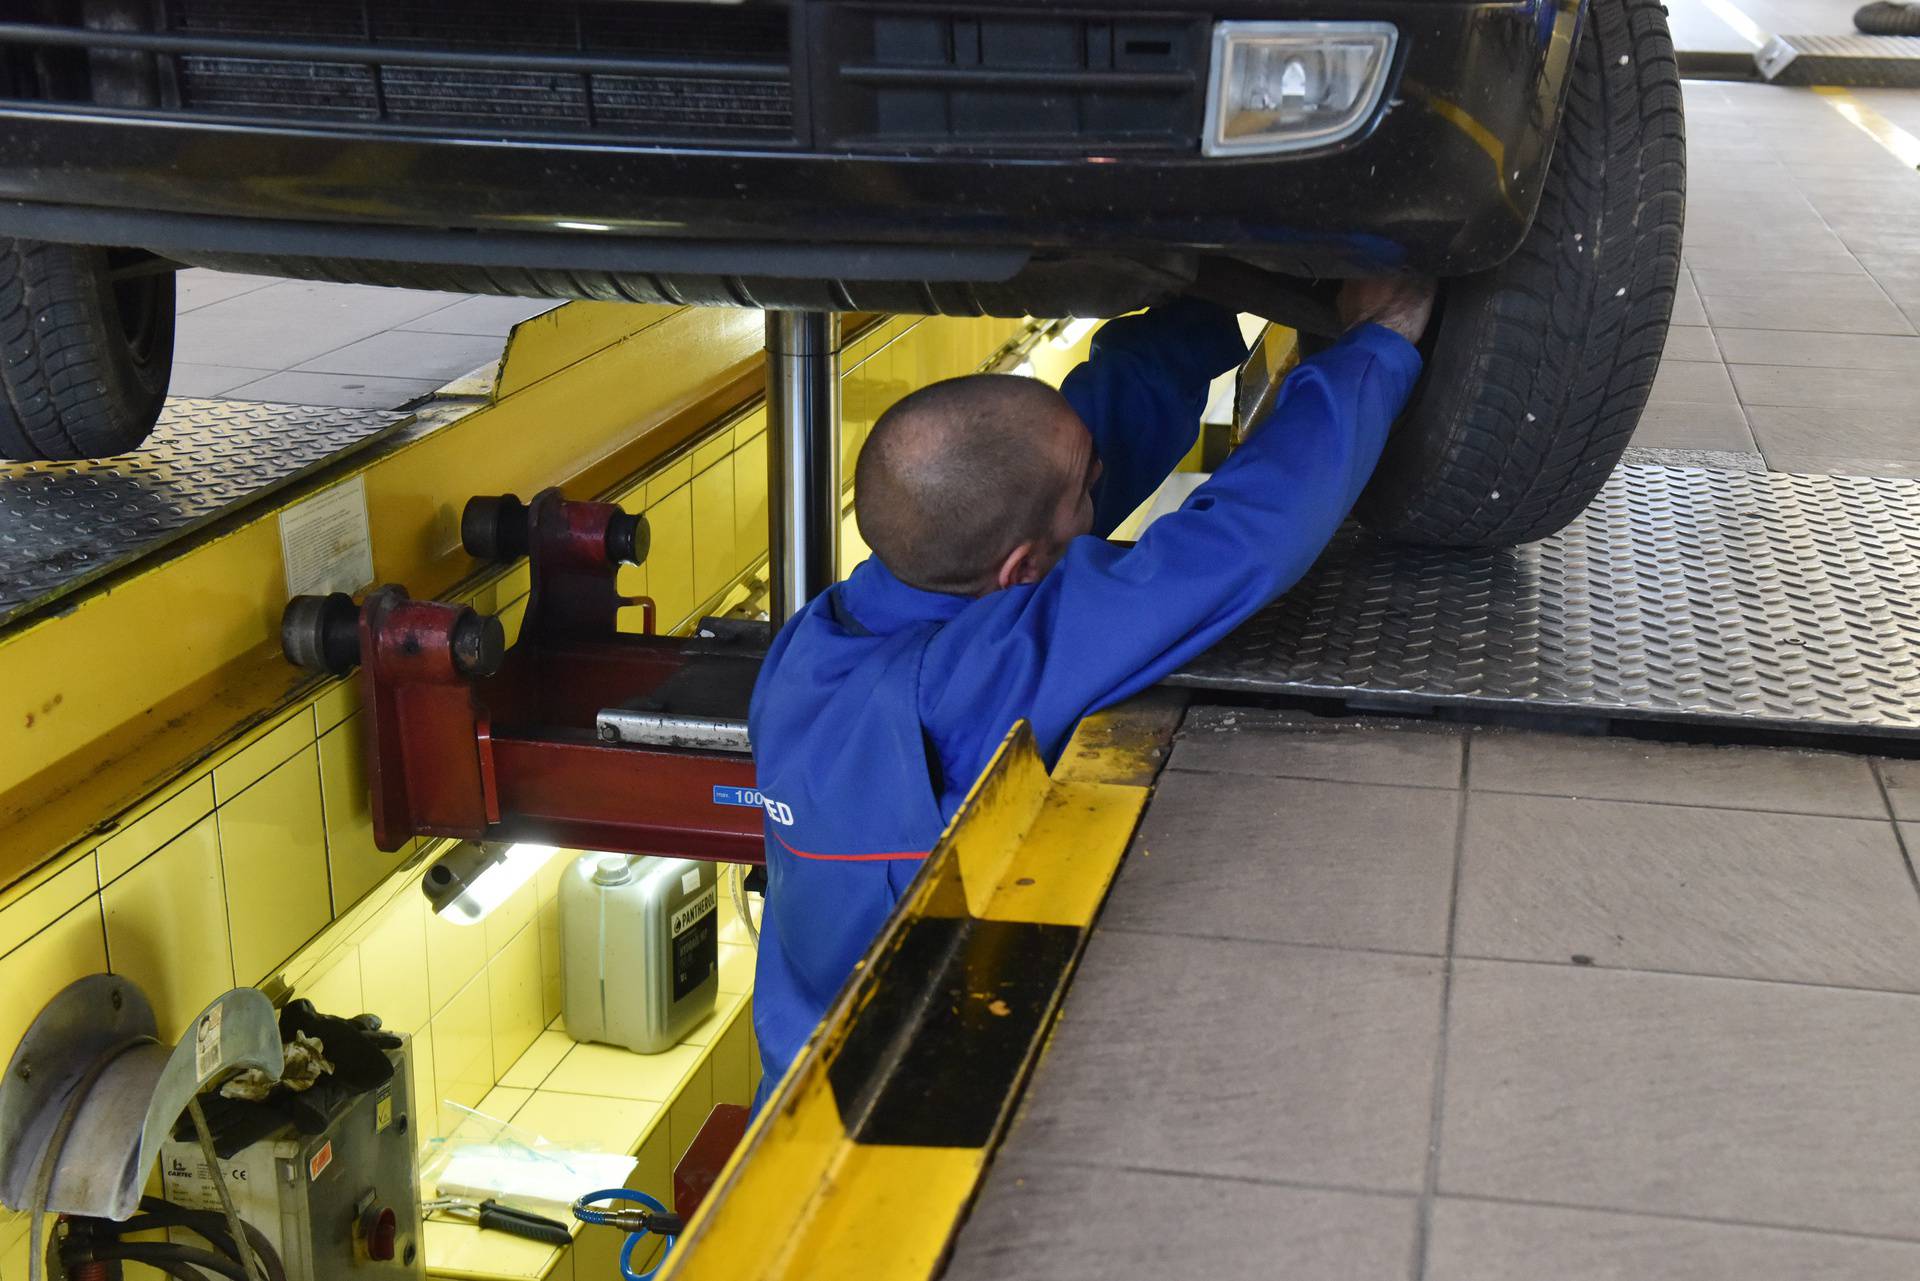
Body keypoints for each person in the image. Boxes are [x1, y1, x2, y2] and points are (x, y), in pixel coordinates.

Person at [746, 278, 1435, 1104]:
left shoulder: (823, 632)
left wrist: (1214, 300)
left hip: (794, 1053)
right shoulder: (971, 685)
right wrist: (1378, 343)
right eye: (1088, 493)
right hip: (878, 1111)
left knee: (1052, 480)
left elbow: (1065, 455)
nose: (1098, 488)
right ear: (1021, 572)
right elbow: (1237, 545)